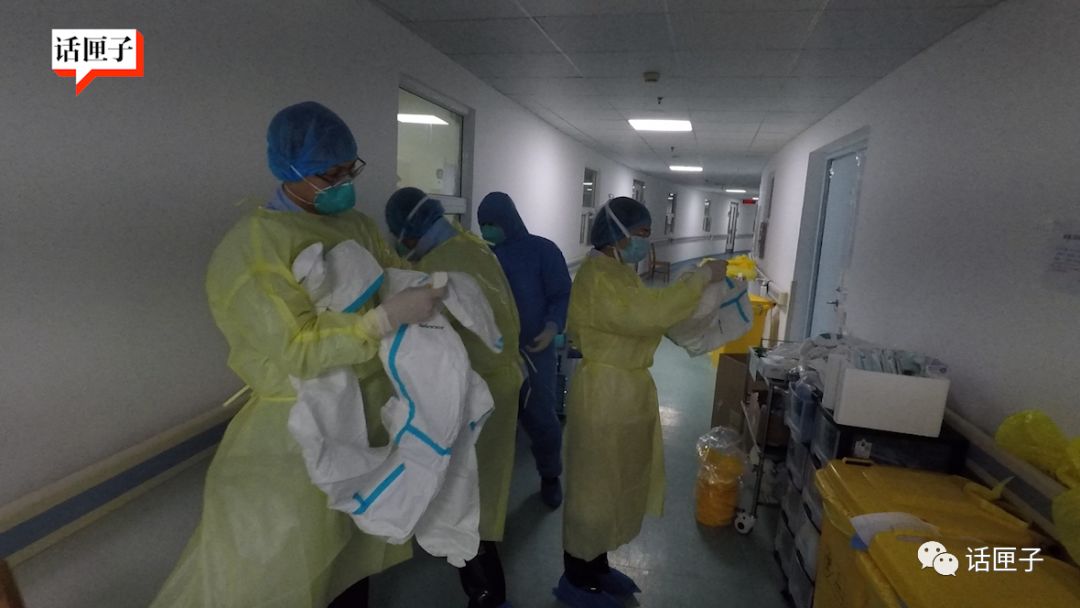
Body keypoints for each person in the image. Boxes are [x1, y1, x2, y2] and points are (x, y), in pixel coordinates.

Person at [151, 102, 445, 608]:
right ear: (290, 170)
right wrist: (380, 321)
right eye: (330, 175)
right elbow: (294, 348)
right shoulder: (254, 247)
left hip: (364, 419)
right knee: (288, 573)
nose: (344, 183)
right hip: (295, 437)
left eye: (350, 170)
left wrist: (425, 290)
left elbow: (391, 274)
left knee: (352, 565)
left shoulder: (357, 225)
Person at [554, 197, 728, 608]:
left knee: (615, 484)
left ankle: (597, 565)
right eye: (641, 234)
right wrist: (700, 278)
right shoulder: (597, 277)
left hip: (626, 392)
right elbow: (649, 313)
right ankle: (576, 576)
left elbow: (650, 315)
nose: (645, 243)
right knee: (593, 490)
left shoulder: (618, 271)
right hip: (603, 393)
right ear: (616, 233)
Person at [386, 187, 523, 608]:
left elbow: (425, 340)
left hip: (471, 391)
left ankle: (486, 592)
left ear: (408, 234)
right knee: (485, 487)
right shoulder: (473, 247)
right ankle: (488, 586)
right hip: (501, 380)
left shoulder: (436, 269)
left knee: (465, 491)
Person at [477, 191, 570, 508]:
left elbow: (561, 294)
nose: (487, 229)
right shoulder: (482, 257)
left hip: (534, 352)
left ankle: (550, 475)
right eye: (483, 224)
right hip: (492, 356)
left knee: (542, 418)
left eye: (493, 223)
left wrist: (552, 327)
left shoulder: (542, 251)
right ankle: (490, 492)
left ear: (510, 219)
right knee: (492, 424)